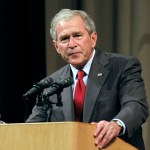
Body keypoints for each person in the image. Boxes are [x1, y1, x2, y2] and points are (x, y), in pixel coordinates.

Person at [26, 9, 149, 150]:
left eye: (77, 36)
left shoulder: (122, 66)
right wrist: (5, 129)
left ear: (93, 39)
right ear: (57, 47)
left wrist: (115, 125)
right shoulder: (51, 84)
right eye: (64, 39)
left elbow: (136, 105)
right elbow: (32, 128)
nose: (71, 44)